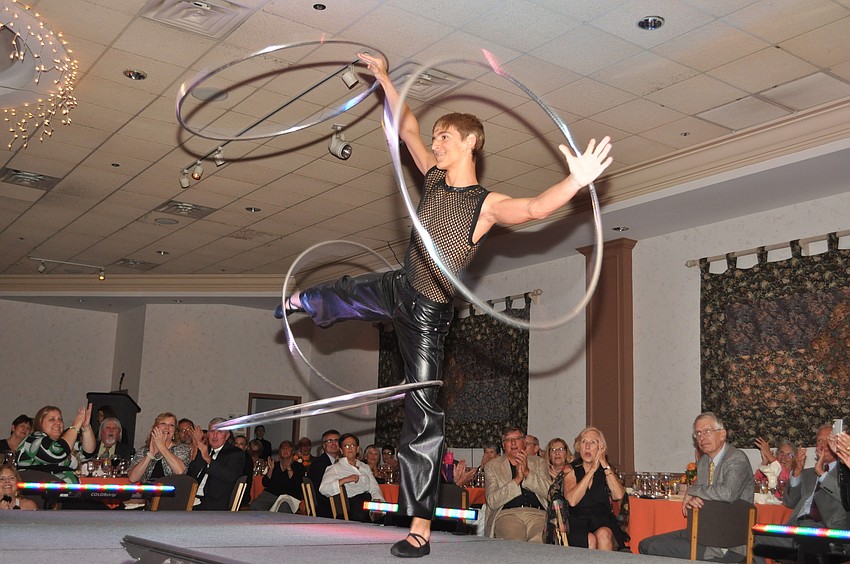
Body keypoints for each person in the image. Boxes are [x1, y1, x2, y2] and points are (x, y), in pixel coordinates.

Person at [282, 52, 612, 558]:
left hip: (429, 314)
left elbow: (533, 208)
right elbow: (407, 127)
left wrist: (576, 181)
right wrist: (387, 80)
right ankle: (300, 299)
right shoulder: (433, 178)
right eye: (435, 137)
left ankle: (418, 528)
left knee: (422, 415)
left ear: (470, 143)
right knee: (345, 290)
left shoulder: (484, 204)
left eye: (444, 138)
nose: (433, 143)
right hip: (401, 282)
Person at [639, 412, 754, 561]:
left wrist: (692, 490)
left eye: (707, 431)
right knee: (646, 544)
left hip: (727, 543)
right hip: (702, 531)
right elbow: (703, 496)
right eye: (698, 433)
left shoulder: (737, 459)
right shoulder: (704, 462)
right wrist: (694, 499)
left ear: (722, 434)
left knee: (653, 548)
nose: (702, 437)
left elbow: (727, 493)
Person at [754, 424, 847, 561]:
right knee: (759, 536)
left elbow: (843, 496)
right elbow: (789, 502)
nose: (822, 445)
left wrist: (821, 473)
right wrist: (796, 472)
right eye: (819, 441)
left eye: (827, 440)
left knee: (807, 542)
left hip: (827, 530)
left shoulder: (845, 472)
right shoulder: (808, 473)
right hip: (796, 526)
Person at [483, 426, 551, 542]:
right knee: (515, 542)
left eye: (517, 438)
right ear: (503, 445)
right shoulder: (493, 466)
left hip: (538, 514)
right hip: (508, 514)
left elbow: (550, 493)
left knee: (540, 542)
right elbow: (492, 501)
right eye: (509, 440)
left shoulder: (539, 462)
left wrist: (527, 473)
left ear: (523, 442)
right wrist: (517, 480)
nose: (513, 443)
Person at [563, 427, 626, 550]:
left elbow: (618, 495)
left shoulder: (607, 469)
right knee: (589, 539)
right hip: (577, 521)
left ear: (600, 448)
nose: (587, 446)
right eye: (584, 442)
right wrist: (592, 470)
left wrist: (603, 463)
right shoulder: (570, 469)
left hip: (602, 520)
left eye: (593, 442)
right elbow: (572, 500)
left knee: (604, 534)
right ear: (578, 447)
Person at [16, 404, 96, 483]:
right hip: (39, 493)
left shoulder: (63, 443)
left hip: (68, 492)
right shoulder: (33, 439)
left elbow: (88, 452)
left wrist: (86, 426)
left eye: (60, 419)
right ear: (40, 423)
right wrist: (74, 427)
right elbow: (57, 453)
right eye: (52, 419)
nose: (58, 423)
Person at [319, 433, 384, 522]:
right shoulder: (335, 468)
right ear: (341, 450)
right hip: (352, 504)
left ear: (357, 449)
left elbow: (374, 487)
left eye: (352, 445)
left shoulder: (364, 467)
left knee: (392, 510)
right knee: (362, 503)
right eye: (346, 446)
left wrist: (377, 499)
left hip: (367, 502)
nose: (350, 448)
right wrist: (345, 480)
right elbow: (323, 489)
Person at [187, 417, 246, 511]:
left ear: (227, 436)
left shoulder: (235, 453)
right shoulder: (205, 449)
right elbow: (191, 475)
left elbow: (230, 476)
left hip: (214, 503)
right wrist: (196, 446)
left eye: (219, 432)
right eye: (212, 431)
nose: (215, 435)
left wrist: (208, 459)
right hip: (193, 499)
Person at [127, 412, 191, 483]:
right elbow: (132, 478)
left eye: (171, 425)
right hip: (147, 491)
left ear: (174, 431)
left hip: (170, 492)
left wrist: (161, 446)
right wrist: (150, 454)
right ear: (155, 428)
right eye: (163, 424)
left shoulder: (181, 448)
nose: (167, 428)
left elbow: (180, 471)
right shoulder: (143, 450)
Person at [250, 440, 305, 512]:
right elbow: (265, 483)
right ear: (279, 452)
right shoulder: (274, 465)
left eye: (288, 449)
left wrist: (289, 468)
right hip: (271, 495)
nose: (285, 450)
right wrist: (271, 469)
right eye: (283, 449)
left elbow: (296, 484)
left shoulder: (298, 466)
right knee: (255, 505)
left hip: (288, 496)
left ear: (292, 451)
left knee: (283, 508)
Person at [544, 437, 573, 545]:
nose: (557, 453)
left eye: (561, 449)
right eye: (553, 450)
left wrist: (559, 480)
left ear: (566, 453)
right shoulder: (542, 472)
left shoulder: (572, 471)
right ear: (549, 455)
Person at [307, 429, 340, 518]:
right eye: (329, 441)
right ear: (324, 446)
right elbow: (320, 492)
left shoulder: (341, 462)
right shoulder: (318, 464)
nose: (333, 444)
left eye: (336, 440)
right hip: (326, 507)